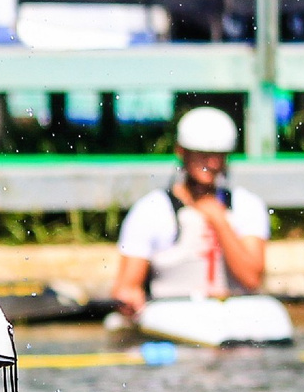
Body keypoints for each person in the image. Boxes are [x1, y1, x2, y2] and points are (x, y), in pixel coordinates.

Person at [111, 106, 271, 317]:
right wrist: (129, 298)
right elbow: (126, 287)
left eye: (219, 155)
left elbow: (251, 279)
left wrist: (218, 219)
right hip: (173, 319)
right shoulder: (151, 210)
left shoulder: (247, 205)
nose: (212, 164)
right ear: (181, 152)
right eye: (203, 155)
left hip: (233, 318)